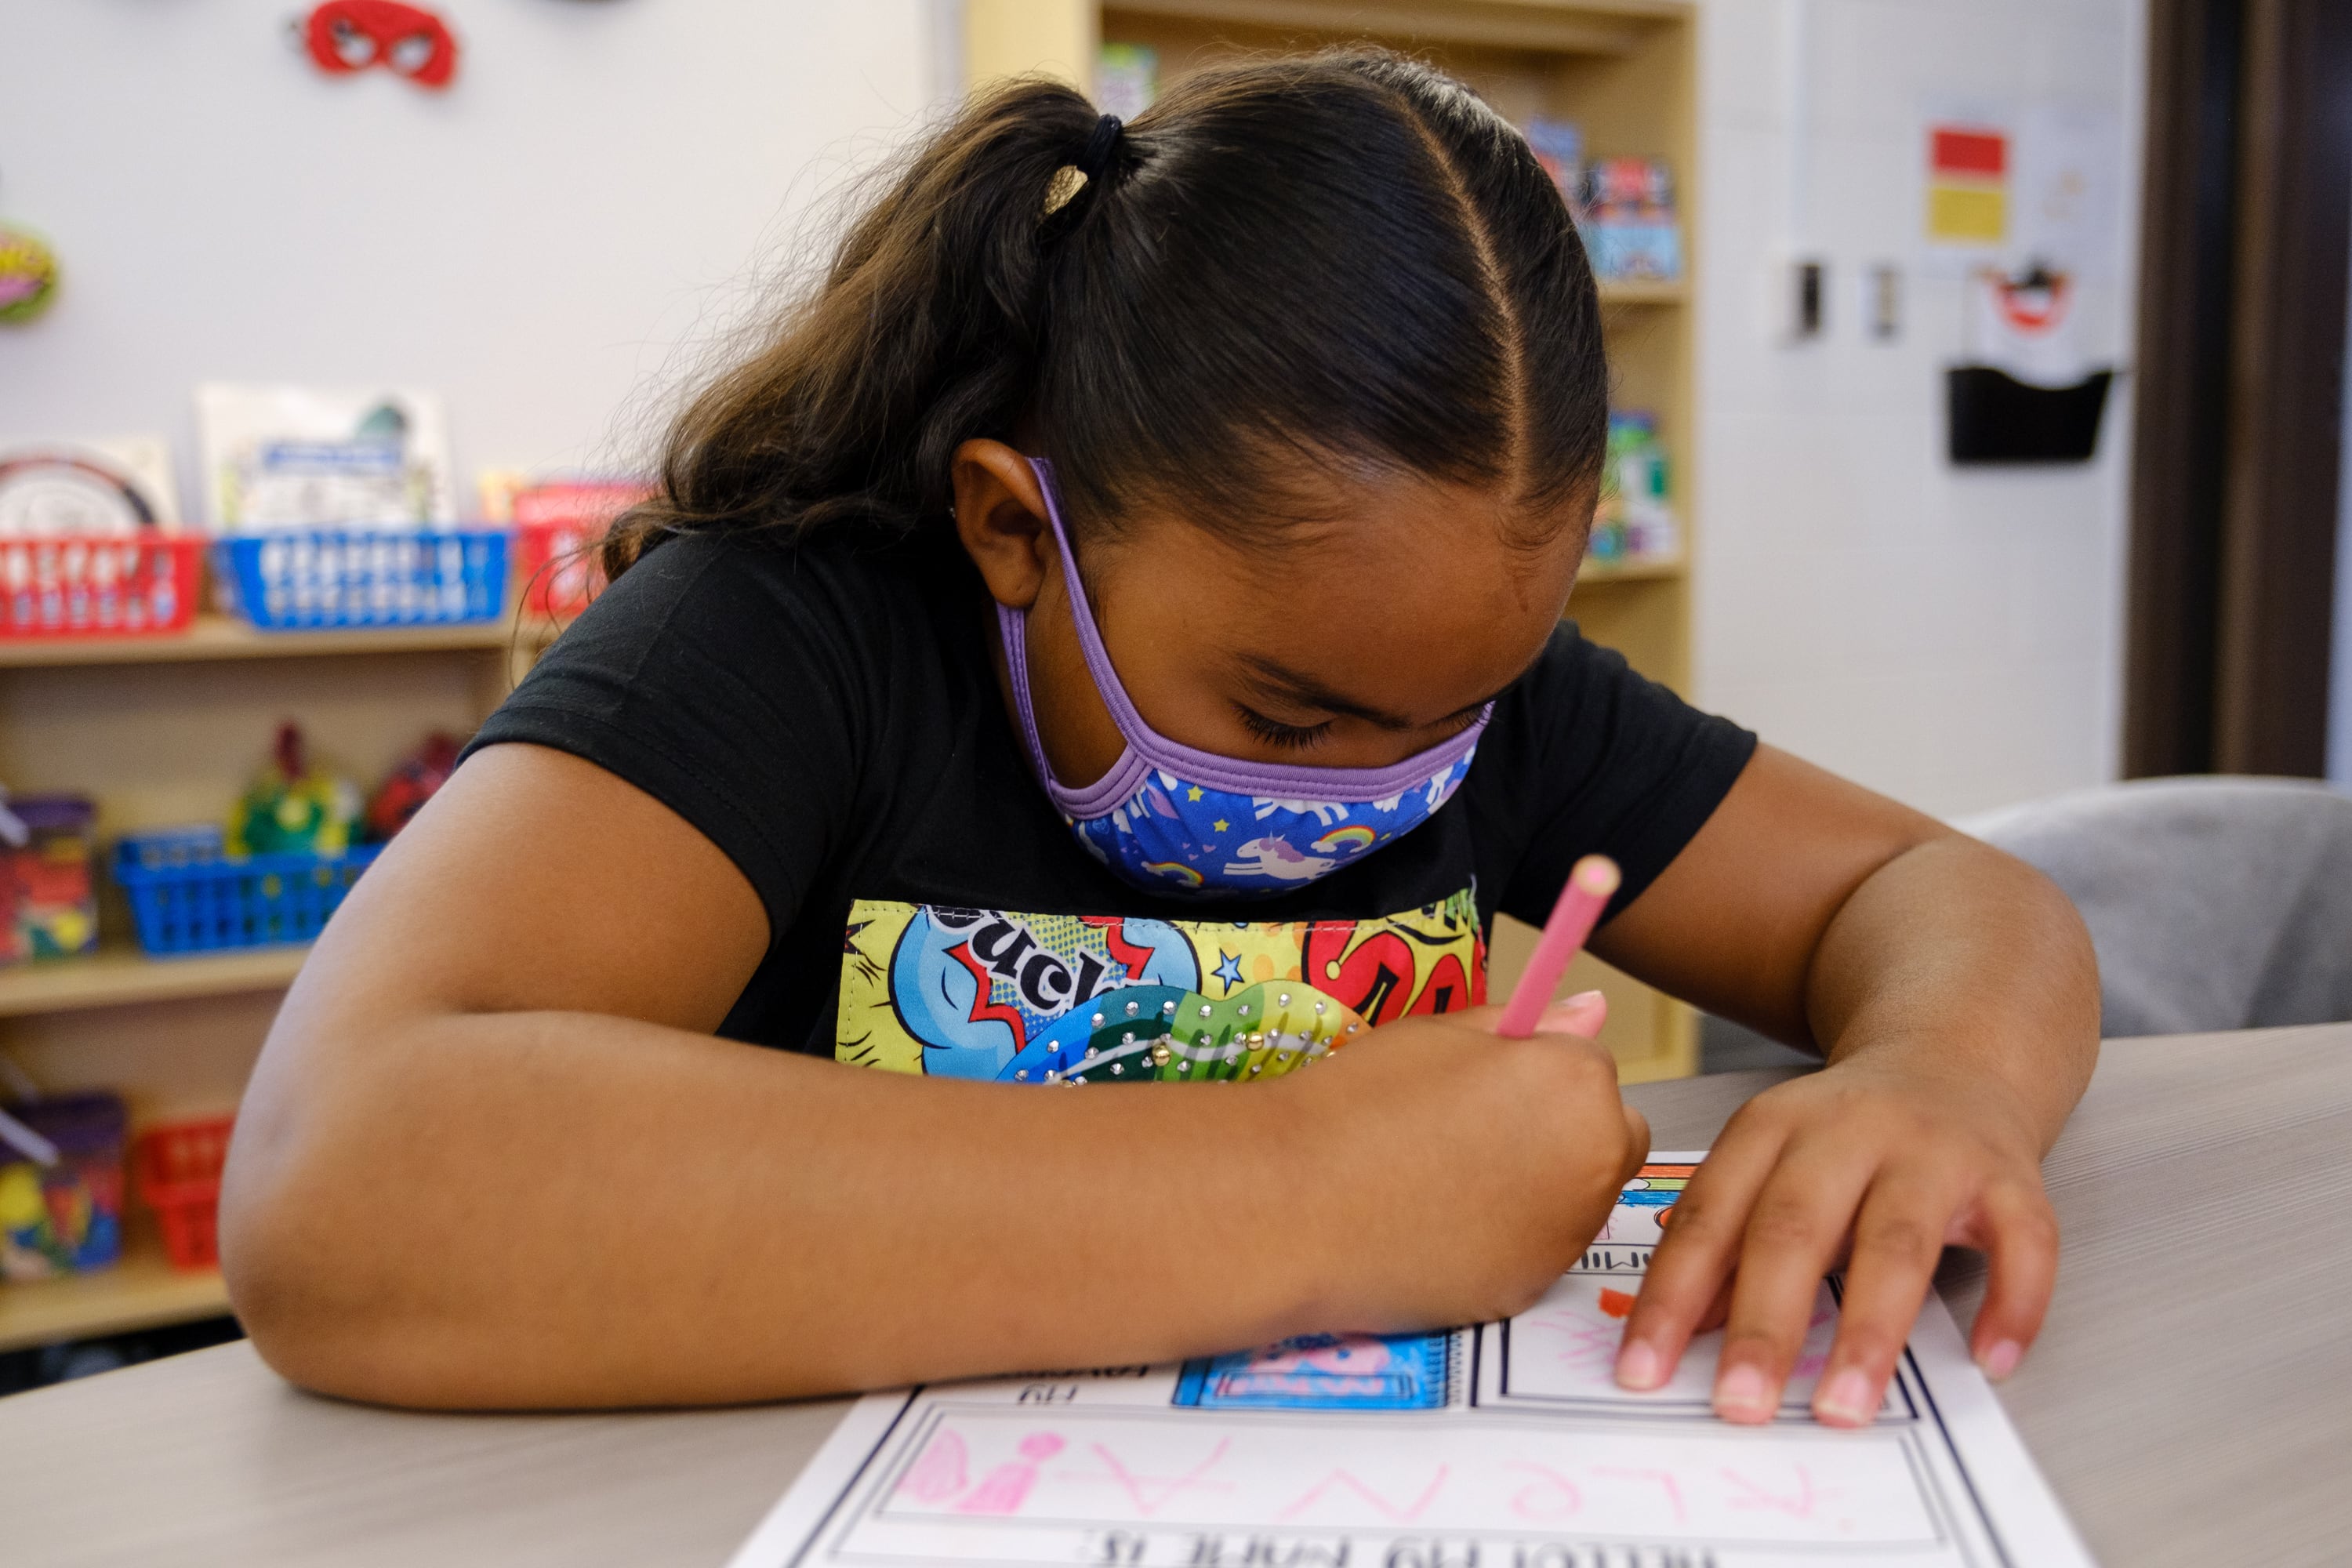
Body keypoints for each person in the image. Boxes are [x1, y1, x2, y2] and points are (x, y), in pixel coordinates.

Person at [220, 51, 2097, 1424]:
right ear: (1017, 531)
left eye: (1466, 708)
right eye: (1291, 714)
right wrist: (1310, 1194)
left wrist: (1944, 1079)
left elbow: (1949, 891)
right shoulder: (791, 635)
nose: (1393, 772)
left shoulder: (1459, 692)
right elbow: (342, 1176)